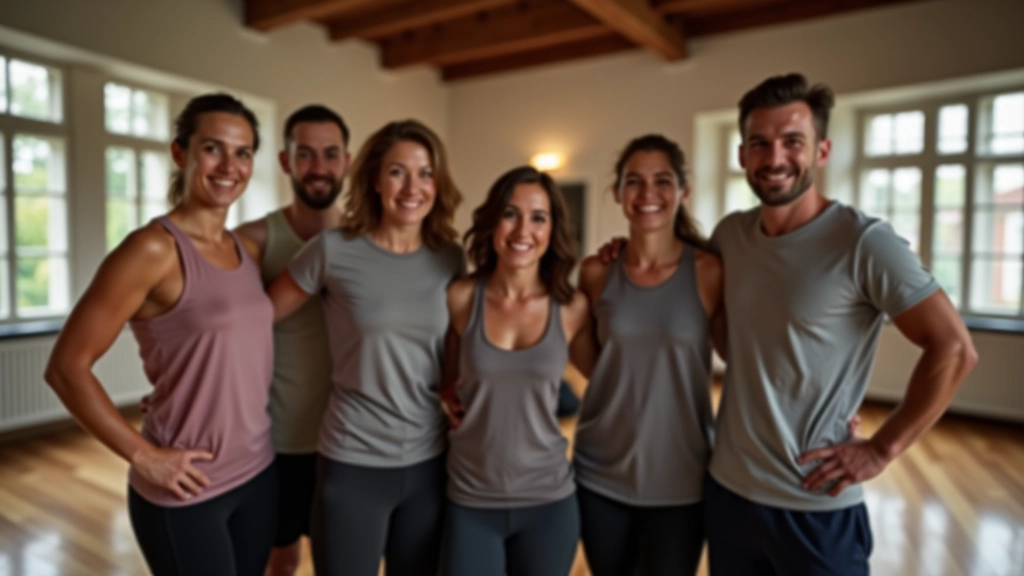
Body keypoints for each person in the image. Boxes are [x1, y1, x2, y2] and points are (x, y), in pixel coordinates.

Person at [703, 73, 978, 575]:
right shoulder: (730, 235)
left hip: (815, 500)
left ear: (822, 151)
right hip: (729, 493)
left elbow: (954, 348)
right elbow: (737, 341)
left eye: (793, 142)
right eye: (759, 144)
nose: (775, 158)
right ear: (742, 155)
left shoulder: (863, 242)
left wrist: (881, 449)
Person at [44, 93, 277, 575]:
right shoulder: (152, 249)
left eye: (243, 152)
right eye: (213, 148)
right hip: (186, 489)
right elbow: (66, 368)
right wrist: (143, 455)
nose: (228, 165)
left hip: (257, 472)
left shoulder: (245, 249)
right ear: (180, 153)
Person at [267, 119, 464, 576]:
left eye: (425, 173)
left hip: (428, 461)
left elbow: (451, 352)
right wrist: (181, 377)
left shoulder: (449, 257)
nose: (413, 186)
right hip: (352, 462)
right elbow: (254, 321)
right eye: (398, 172)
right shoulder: (332, 250)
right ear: (375, 180)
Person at [574, 135, 723, 576]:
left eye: (662, 180)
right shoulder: (596, 271)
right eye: (634, 181)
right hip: (599, 473)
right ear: (619, 194)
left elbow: (752, 354)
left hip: (683, 478)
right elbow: (594, 365)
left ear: (683, 192)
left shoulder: (711, 271)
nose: (647, 193)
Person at [439, 165, 593, 576]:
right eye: (510, 214)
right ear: (492, 221)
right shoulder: (460, 298)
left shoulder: (572, 307)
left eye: (538, 217)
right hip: (470, 501)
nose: (523, 229)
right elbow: (443, 381)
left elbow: (610, 378)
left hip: (549, 503)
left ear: (552, 228)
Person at [234, 104, 350, 576]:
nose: (319, 167)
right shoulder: (252, 240)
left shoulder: (367, 242)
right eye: (305, 154)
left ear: (347, 160)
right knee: (280, 561)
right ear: (285, 161)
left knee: (341, 562)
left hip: (348, 441)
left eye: (330, 154)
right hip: (273, 442)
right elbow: (218, 331)